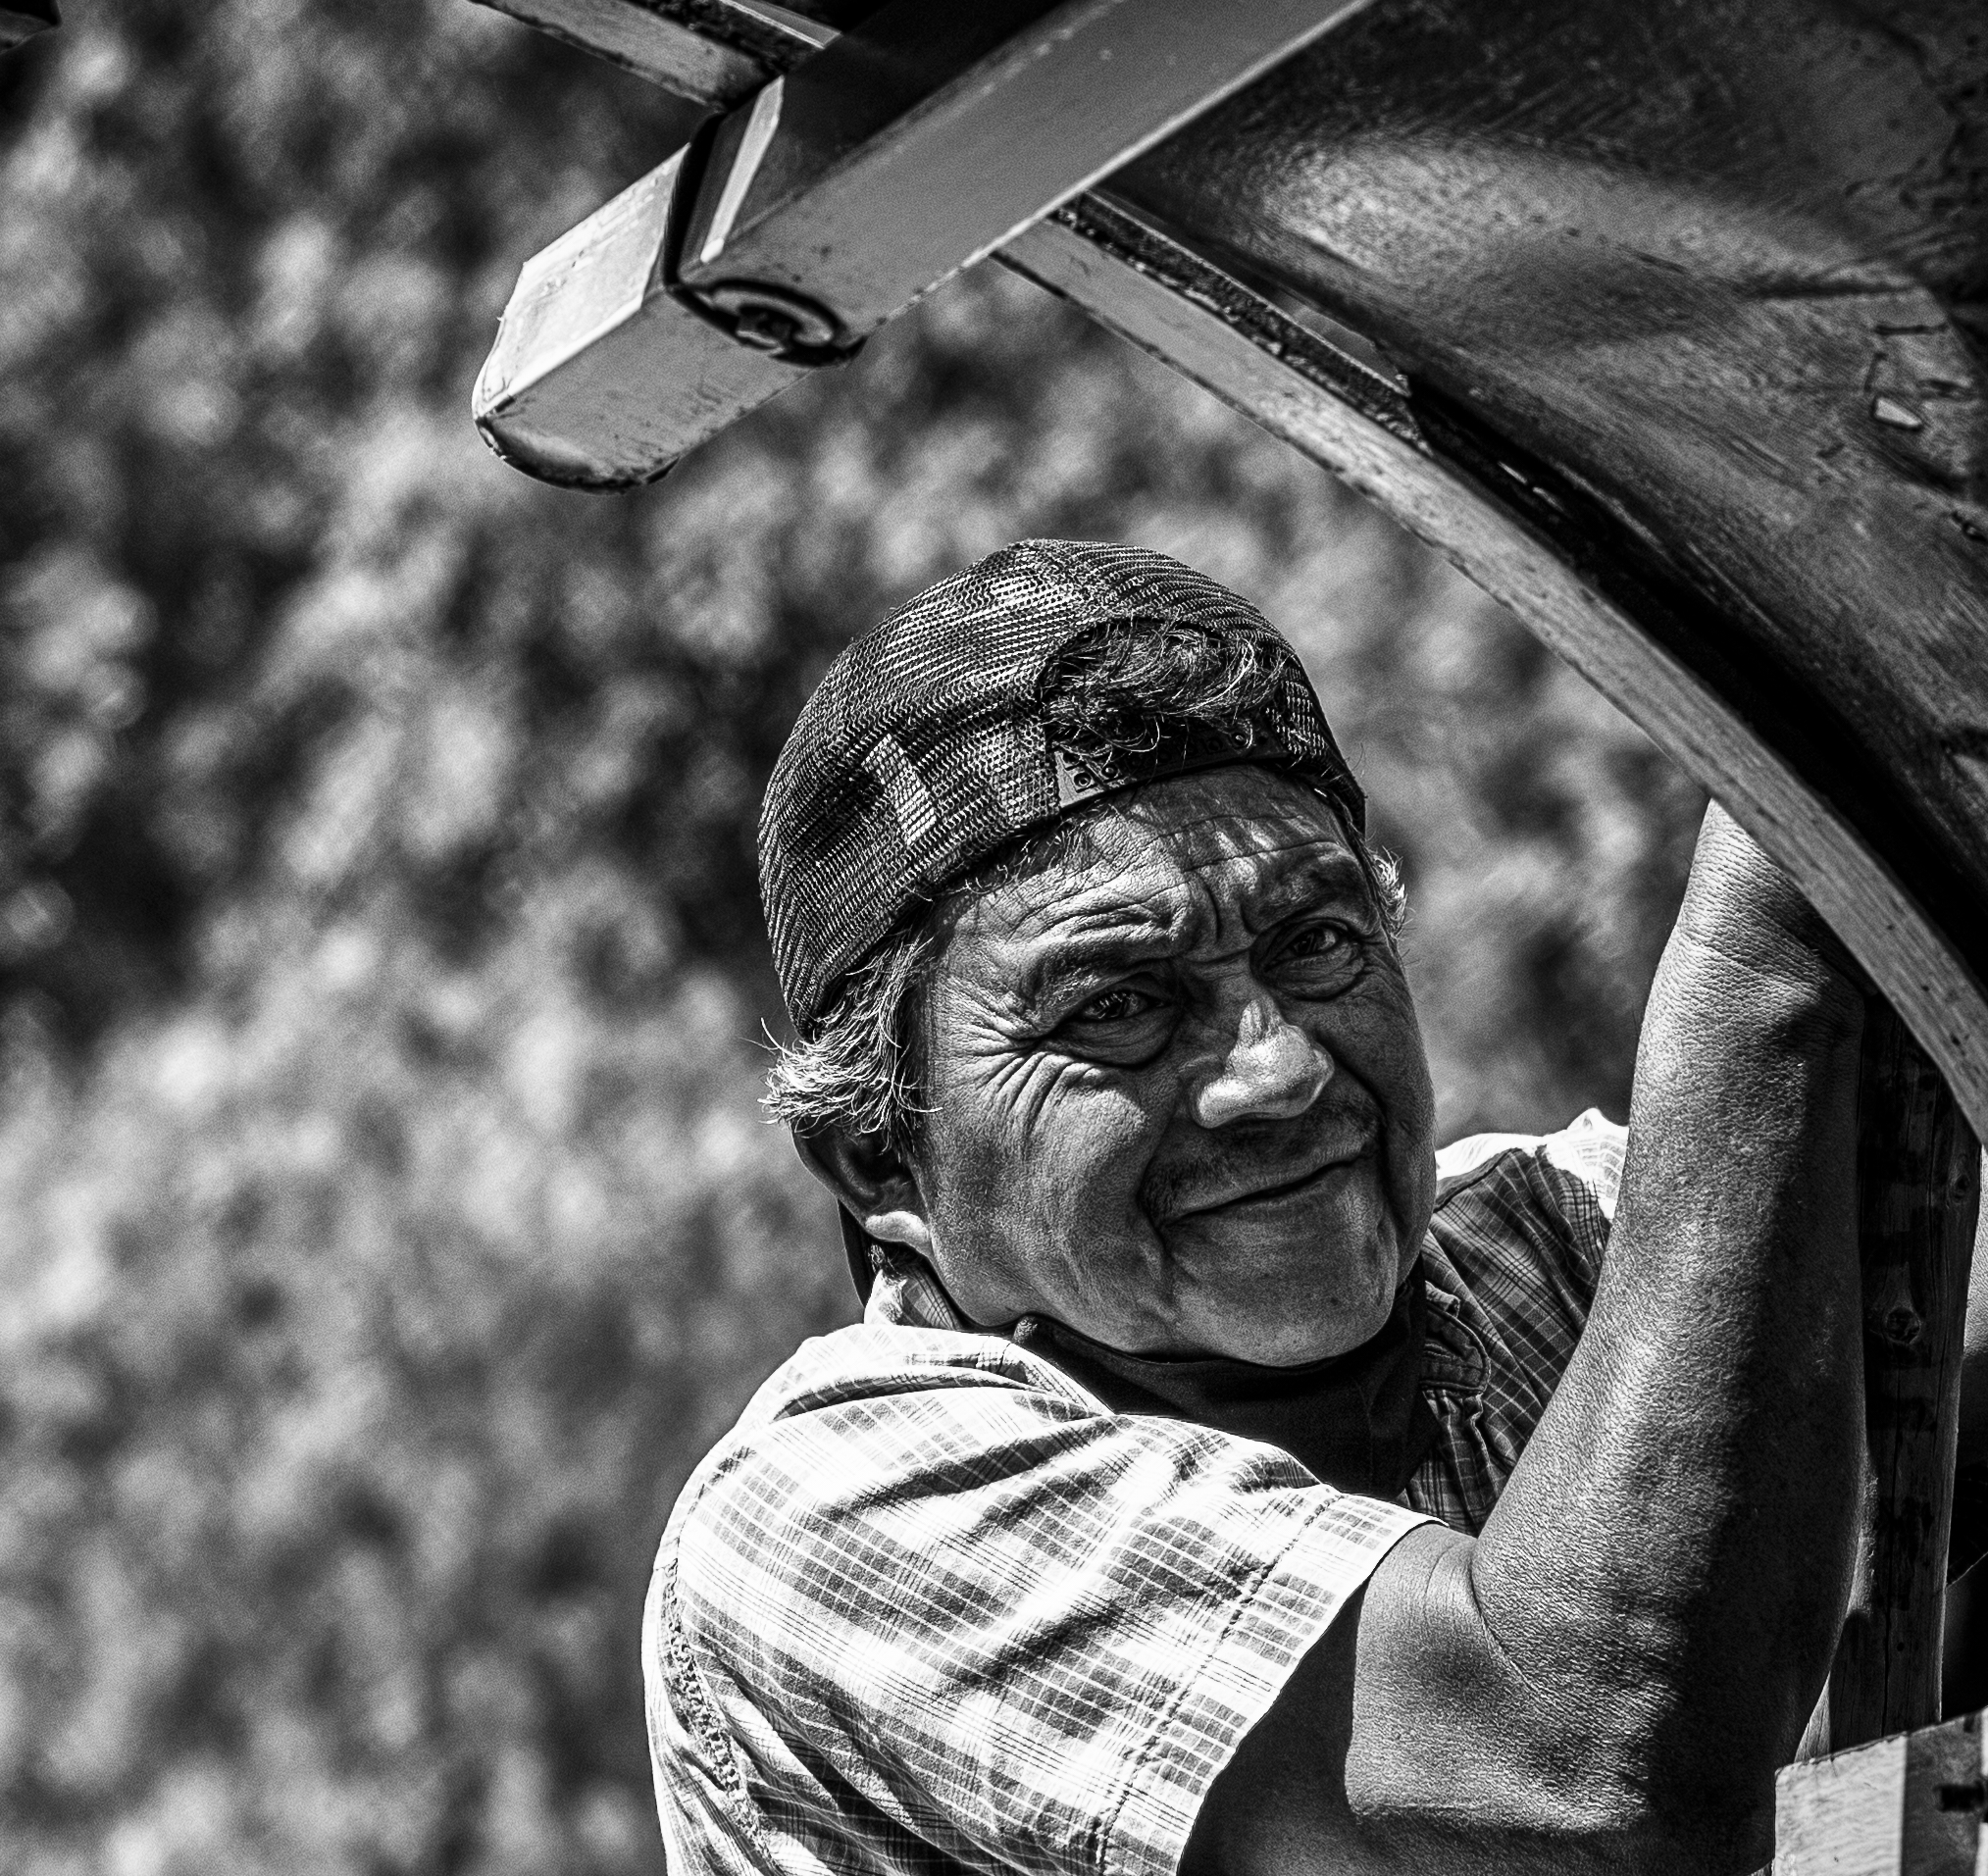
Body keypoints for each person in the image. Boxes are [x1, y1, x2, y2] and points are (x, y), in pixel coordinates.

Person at [645, 539, 1903, 1875]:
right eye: (1118, 1007)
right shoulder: (835, 1508)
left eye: (1318, 944)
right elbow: (1591, 1766)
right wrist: (1789, 881)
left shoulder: (1545, 1242)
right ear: (880, 1159)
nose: (1281, 1072)